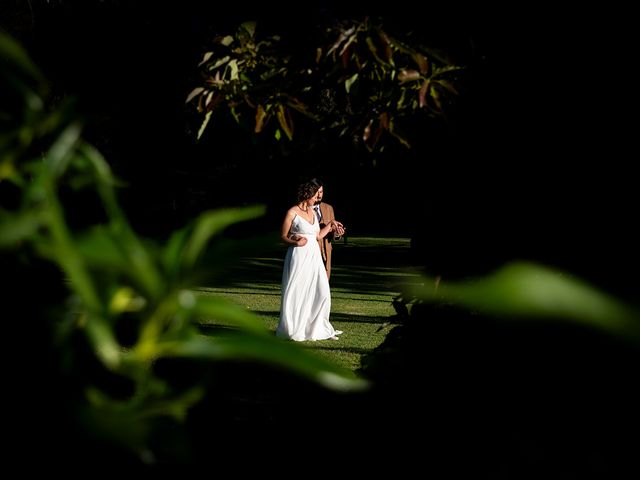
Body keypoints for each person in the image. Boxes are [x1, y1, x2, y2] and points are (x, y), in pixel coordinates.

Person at [276, 181, 344, 341]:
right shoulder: (292, 212)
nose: (317, 199)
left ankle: (317, 327)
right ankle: (295, 329)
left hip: (314, 257)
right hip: (299, 256)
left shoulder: (313, 212)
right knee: (298, 292)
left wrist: (331, 225)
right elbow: (283, 236)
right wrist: (295, 241)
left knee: (322, 291)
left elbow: (318, 235)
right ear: (307, 195)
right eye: (315, 196)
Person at [309, 178, 345, 280]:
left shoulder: (328, 208)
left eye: (321, 192)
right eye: (317, 192)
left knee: (324, 287)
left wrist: (337, 233)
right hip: (309, 252)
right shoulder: (302, 209)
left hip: (325, 255)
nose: (320, 195)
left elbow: (333, 231)